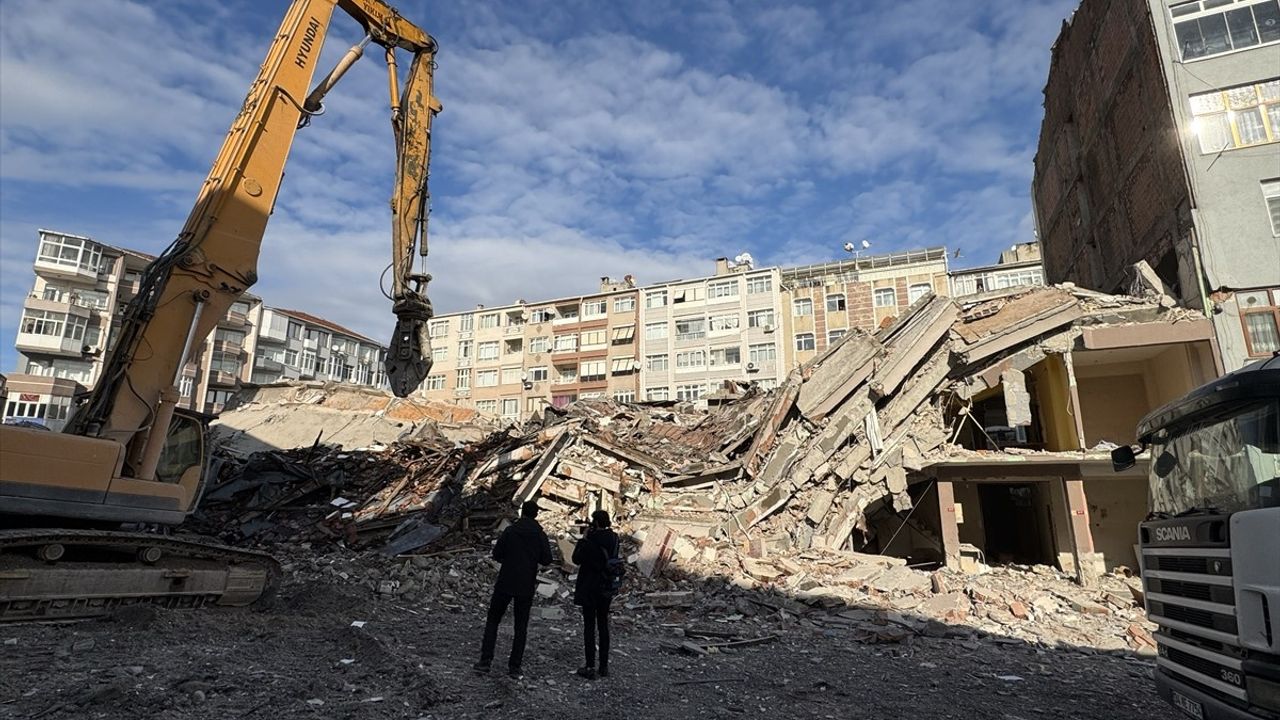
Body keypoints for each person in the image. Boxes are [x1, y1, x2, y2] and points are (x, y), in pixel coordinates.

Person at [475, 500, 552, 678]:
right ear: (536, 515)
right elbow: (547, 559)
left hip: (506, 581)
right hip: (526, 585)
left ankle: (485, 661)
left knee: (493, 620)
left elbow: (497, 554)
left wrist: (510, 561)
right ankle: (514, 667)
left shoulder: (511, 531)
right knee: (521, 626)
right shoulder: (539, 534)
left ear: (522, 513)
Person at [572, 509, 620, 679]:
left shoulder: (591, 540)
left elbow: (576, 559)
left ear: (596, 523)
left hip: (589, 586)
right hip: (606, 586)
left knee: (589, 627)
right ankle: (604, 666)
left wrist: (583, 540)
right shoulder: (614, 538)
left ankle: (590, 665)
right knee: (603, 625)